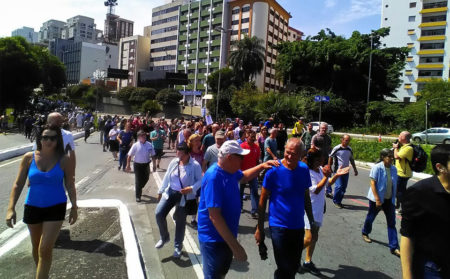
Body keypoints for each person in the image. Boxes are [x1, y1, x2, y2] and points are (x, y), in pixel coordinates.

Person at [6, 125, 78, 279]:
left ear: (58, 140)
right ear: (40, 139)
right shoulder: (28, 158)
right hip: (32, 206)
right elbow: (18, 184)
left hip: (56, 207)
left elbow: (70, 184)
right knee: (36, 246)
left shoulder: (64, 159)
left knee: (45, 248)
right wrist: (10, 208)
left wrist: (74, 207)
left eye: (53, 138)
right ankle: (42, 274)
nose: (49, 141)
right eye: (45, 137)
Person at [198, 141, 278, 278]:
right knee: (214, 275)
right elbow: (214, 216)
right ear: (230, 157)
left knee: (221, 273)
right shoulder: (214, 177)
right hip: (214, 240)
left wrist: (262, 166)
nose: (243, 160)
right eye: (240, 157)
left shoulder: (230, 171)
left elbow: (244, 176)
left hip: (226, 236)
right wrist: (236, 247)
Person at [255, 138, 315, 279]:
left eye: (293, 154)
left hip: (297, 226)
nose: (289, 156)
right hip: (278, 226)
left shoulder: (303, 169)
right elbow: (262, 201)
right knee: (284, 267)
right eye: (287, 152)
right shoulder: (273, 171)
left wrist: (311, 221)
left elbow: (306, 197)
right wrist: (260, 229)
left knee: (293, 266)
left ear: (301, 154)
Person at [400, 144, 450, 279]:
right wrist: (407, 275)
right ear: (441, 167)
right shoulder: (419, 192)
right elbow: (407, 235)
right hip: (433, 269)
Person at [301, 147, 349, 275]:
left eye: (321, 159)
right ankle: (292, 255)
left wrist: (337, 174)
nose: (322, 162)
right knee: (308, 238)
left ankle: (307, 261)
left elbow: (328, 183)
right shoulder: (308, 172)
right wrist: (326, 176)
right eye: (319, 160)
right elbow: (316, 189)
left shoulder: (321, 170)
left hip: (318, 209)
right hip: (308, 208)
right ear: (313, 160)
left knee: (314, 236)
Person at [155, 143, 203, 257]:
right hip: (170, 192)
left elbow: (200, 180)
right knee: (158, 213)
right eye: (177, 152)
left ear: (188, 154)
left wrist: (191, 188)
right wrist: (160, 191)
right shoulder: (174, 162)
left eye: (181, 153)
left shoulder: (195, 165)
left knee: (180, 222)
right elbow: (167, 176)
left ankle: (177, 246)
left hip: (184, 197)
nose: (179, 155)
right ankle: (164, 237)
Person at [361, 148, 400, 257]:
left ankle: (394, 247)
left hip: (389, 200)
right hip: (377, 199)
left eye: (392, 156)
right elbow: (373, 184)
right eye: (389, 156)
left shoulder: (394, 169)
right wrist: (377, 199)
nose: (392, 158)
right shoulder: (377, 168)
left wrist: (396, 198)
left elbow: (394, 185)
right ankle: (365, 232)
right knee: (371, 217)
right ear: (383, 157)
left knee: (392, 223)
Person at [327, 134, 358, 208]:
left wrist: (355, 169)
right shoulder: (337, 148)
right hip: (338, 171)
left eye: (348, 140)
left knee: (344, 187)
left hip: (346, 171)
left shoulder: (349, 149)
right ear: (342, 140)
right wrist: (329, 167)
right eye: (346, 140)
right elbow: (330, 157)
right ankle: (336, 201)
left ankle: (339, 201)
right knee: (339, 186)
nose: (347, 142)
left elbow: (351, 159)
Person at [126, 130, 155, 202]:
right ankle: (138, 196)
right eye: (142, 135)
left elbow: (153, 155)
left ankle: (139, 187)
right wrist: (128, 165)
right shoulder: (135, 145)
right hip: (137, 165)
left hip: (146, 164)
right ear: (138, 137)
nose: (144, 137)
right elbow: (129, 156)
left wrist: (154, 165)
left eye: (144, 135)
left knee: (146, 178)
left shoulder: (149, 144)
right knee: (138, 180)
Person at [240, 130, 261, 218]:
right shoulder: (242, 146)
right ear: (247, 137)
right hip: (242, 173)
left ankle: (254, 210)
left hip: (253, 174)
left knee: (254, 192)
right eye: (251, 137)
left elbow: (257, 161)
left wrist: (258, 172)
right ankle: (239, 207)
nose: (253, 139)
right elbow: (238, 160)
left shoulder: (257, 147)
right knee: (240, 192)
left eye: (254, 137)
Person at [393, 131, 413, 213]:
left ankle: (403, 208)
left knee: (399, 191)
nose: (398, 136)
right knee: (400, 191)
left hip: (403, 174)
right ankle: (399, 206)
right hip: (401, 172)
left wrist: (395, 148)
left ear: (404, 138)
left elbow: (396, 156)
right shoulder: (404, 147)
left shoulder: (408, 148)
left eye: (400, 135)